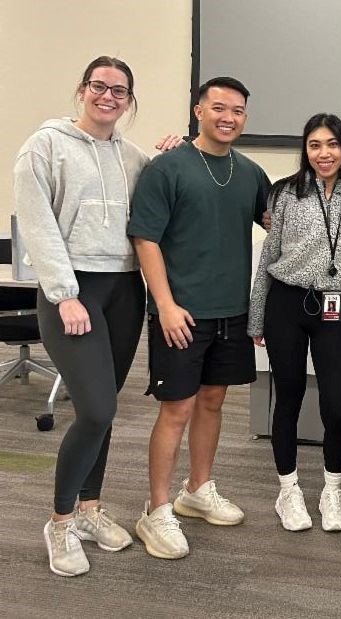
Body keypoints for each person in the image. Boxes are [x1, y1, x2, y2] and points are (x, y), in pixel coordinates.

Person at [13, 56, 181, 577]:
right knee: (95, 410)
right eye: (99, 86)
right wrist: (64, 293)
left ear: (130, 100)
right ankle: (60, 521)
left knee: (105, 405)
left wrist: (171, 158)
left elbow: (154, 203)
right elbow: (38, 224)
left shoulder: (131, 157)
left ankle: (90, 509)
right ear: (82, 89)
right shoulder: (45, 146)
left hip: (125, 290)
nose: (108, 96)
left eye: (120, 90)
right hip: (74, 292)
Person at [127, 76, 270, 559]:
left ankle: (197, 489)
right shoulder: (167, 168)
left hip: (232, 312)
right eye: (219, 108)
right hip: (181, 314)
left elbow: (280, 221)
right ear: (198, 111)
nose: (228, 117)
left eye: (238, 111)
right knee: (176, 410)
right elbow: (145, 239)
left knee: (212, 402)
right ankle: (157, 510)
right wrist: (165, 305)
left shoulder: (250, 173)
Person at [248, 113, 341, 533]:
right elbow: (268, 256)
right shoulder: (285, 194)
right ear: (305, 149)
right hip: (286, 303)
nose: (324, 153)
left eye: (332, 144)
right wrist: (256, 314)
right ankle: (288, 489)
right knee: (290, 397)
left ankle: (333, 489)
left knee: (335, 402)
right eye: (315, 145)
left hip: (334, 305)